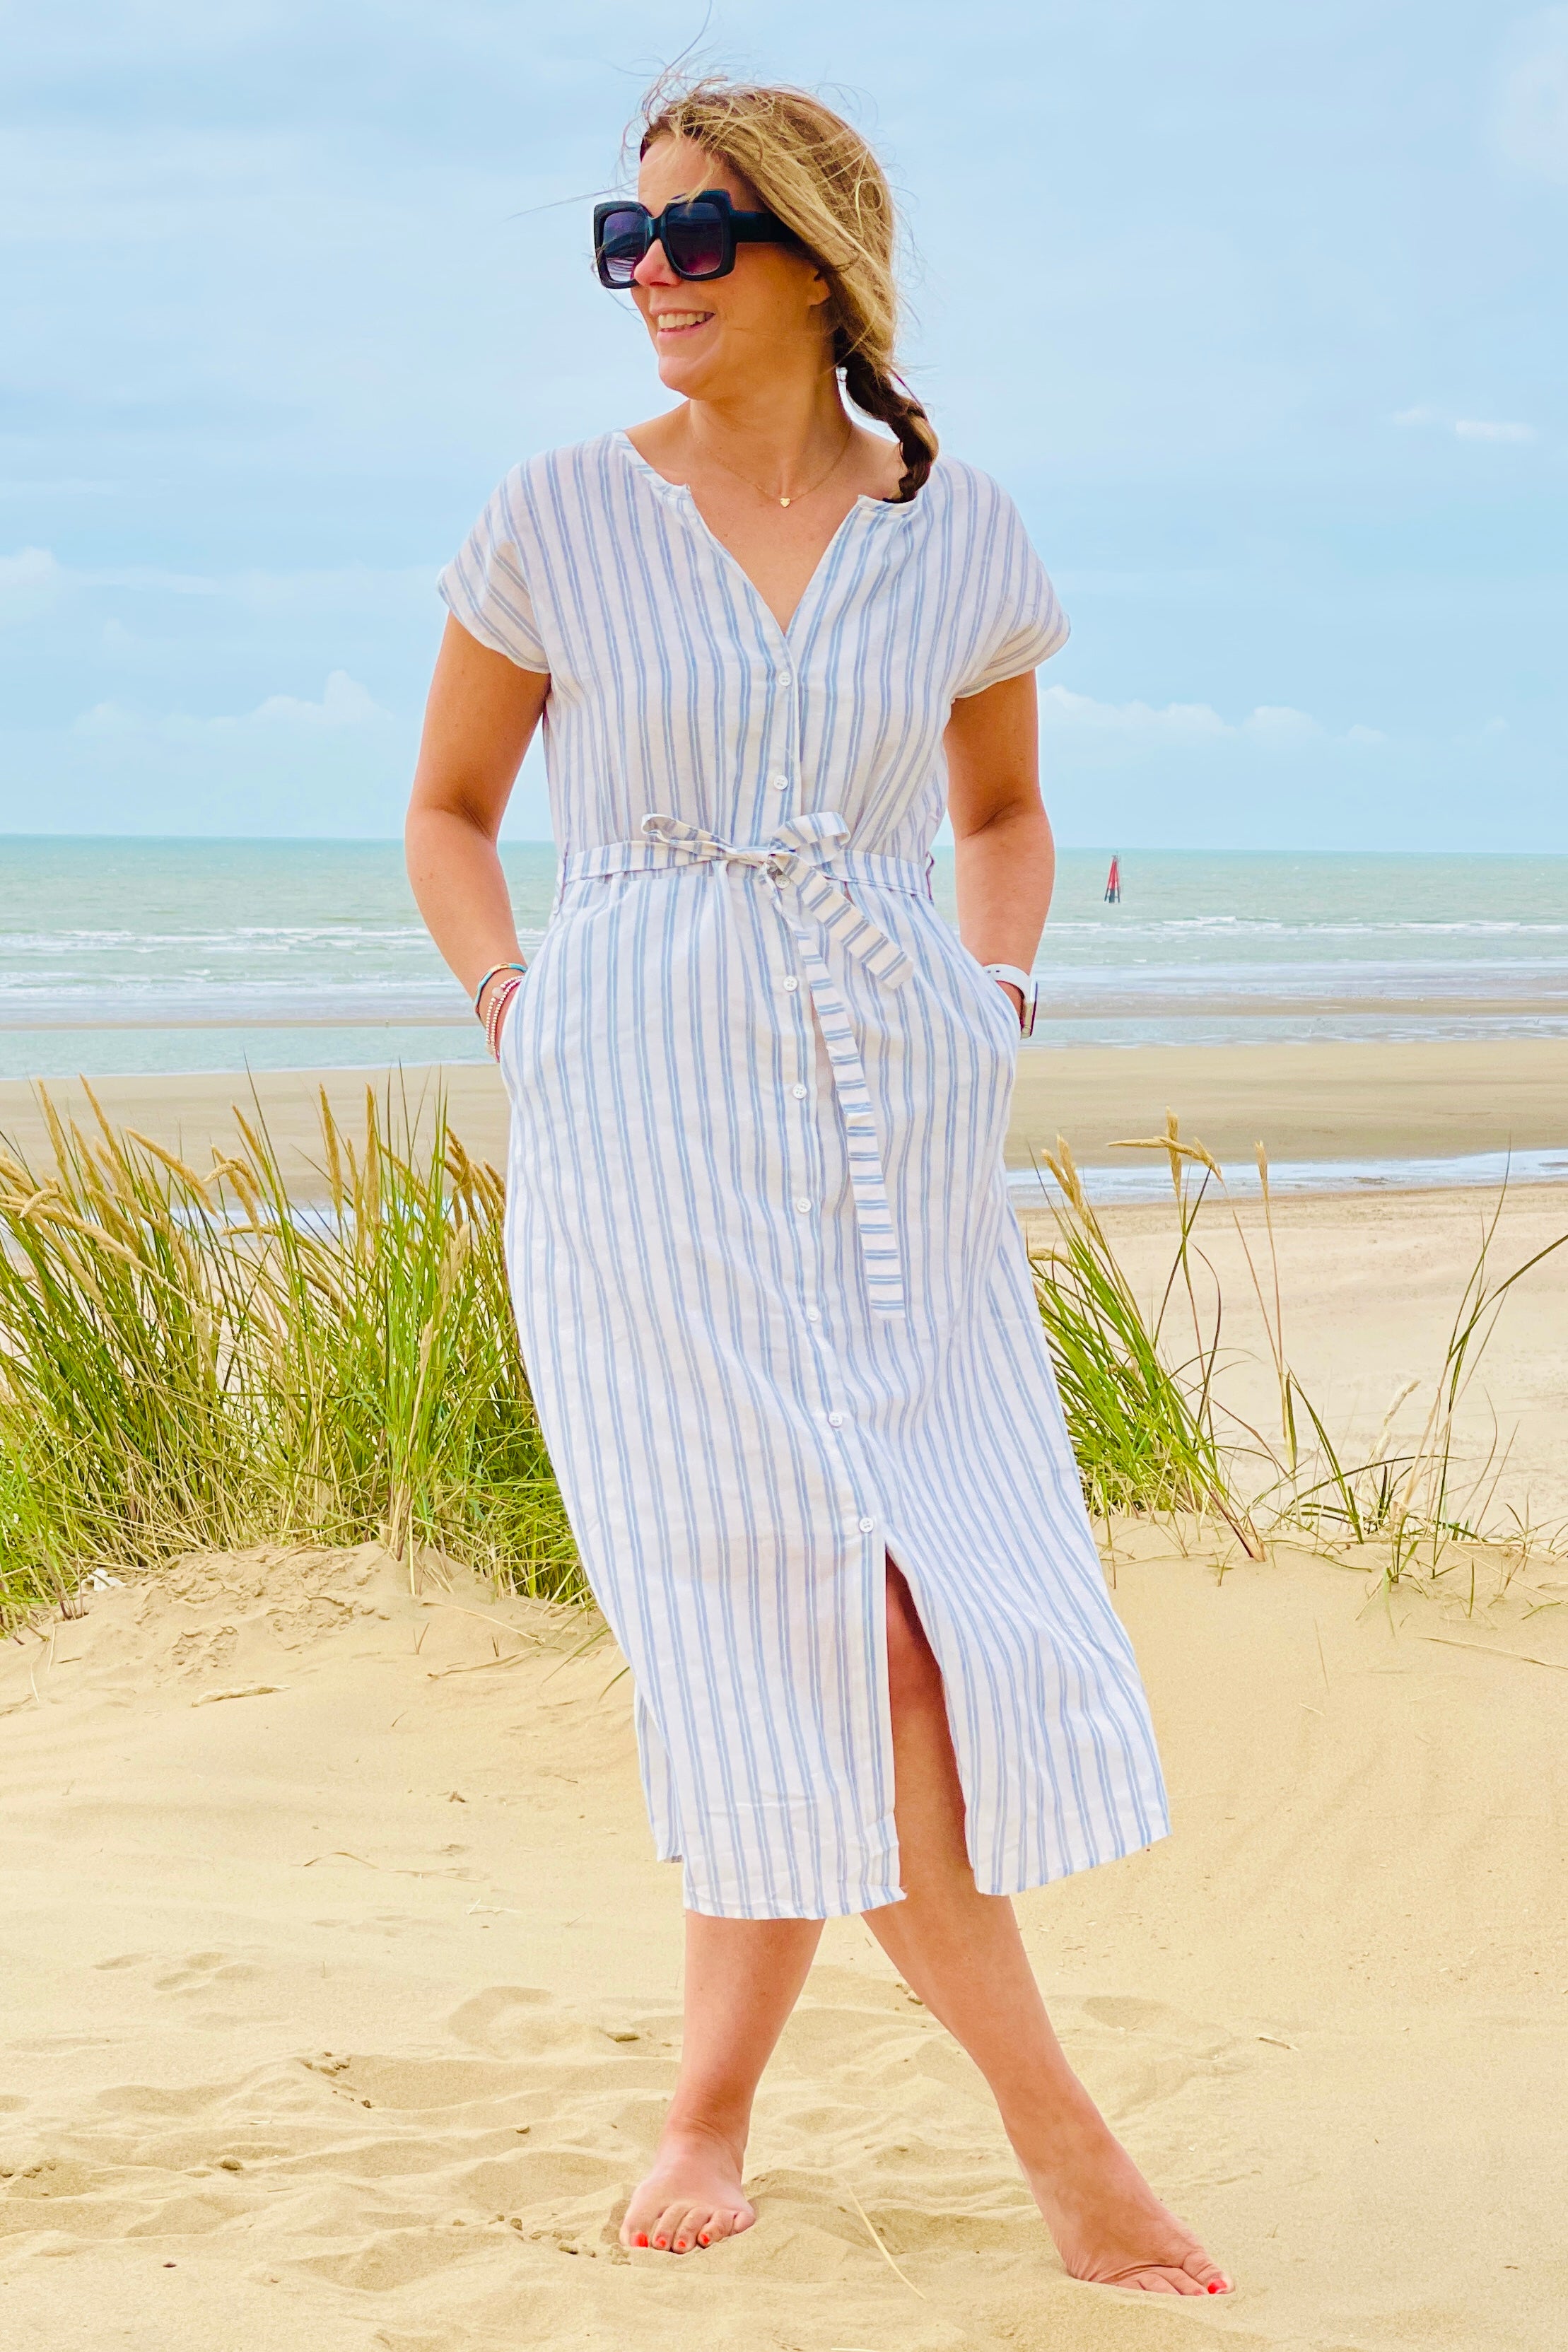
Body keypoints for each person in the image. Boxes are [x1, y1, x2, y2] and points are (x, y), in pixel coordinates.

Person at [405, 76, 1231, 2298]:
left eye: (691, 236)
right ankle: (1063, 2148)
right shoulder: (559, 517)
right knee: (832, 1635)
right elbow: (454, 812)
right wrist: (517, 1008)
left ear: (815, 263)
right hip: (643, 1128)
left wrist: (1000, 1002)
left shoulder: (953, 527)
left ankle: (707, 2104)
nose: (646, 276)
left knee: (875, 1624)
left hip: (896, 1129)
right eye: (625, 233)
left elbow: (1003, 814)